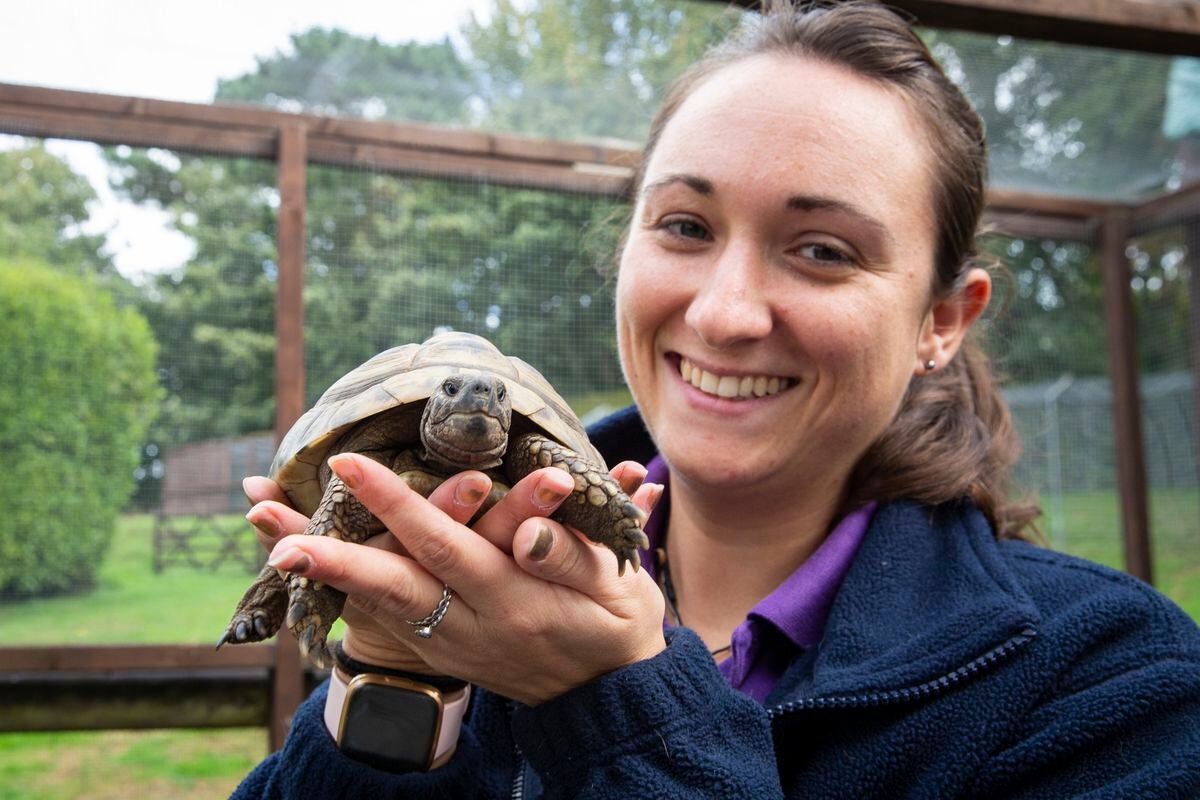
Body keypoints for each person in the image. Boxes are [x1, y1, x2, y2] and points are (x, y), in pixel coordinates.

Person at [231, 2, 1200, 797]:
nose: (727, 311)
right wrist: (396, 684)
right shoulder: (463, 560)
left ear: (941, 319)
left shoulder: (1117, 681)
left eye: (822, 249)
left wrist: (619, 702)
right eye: (686, 225)